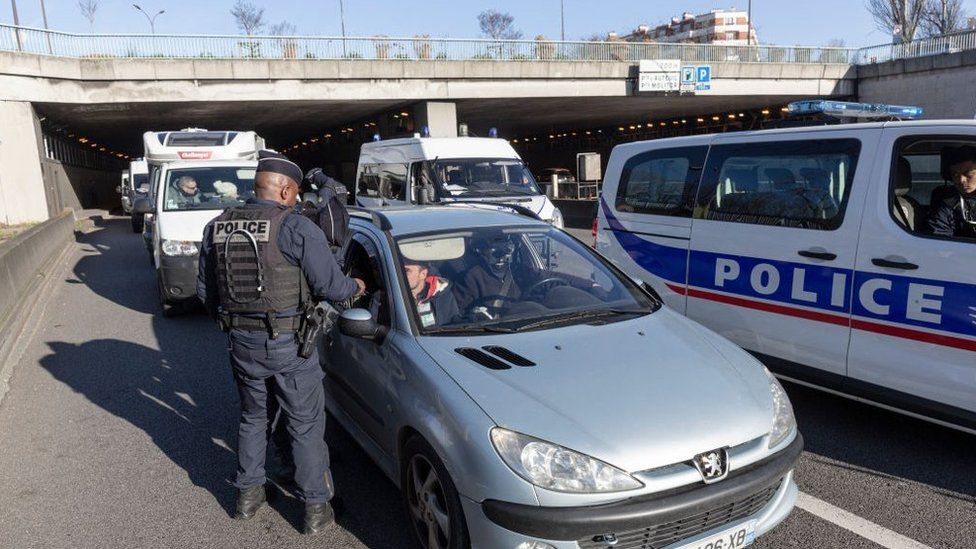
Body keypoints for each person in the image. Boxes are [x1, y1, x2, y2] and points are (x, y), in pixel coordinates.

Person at [197, 150, 365, 535]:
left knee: (253, 417)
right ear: (287, 190)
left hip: (241, 342)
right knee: (304, 424)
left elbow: (205, 293)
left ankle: (247, 496)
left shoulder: (218, 225)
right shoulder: (296, 227)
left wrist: (239, 324)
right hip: (290, 344)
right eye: (297, 191)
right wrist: (356, 285)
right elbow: (331, 287)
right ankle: (315, 509)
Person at [928, 145, 976, 239]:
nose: (961, 180)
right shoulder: (948, 202)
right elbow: (939, 238)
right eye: (955, 174)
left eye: (968, 174)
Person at [402, 260, 460, 327]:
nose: (399, 274)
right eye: (399, 269)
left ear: (423, 274)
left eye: (406, 271)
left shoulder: (441, 294)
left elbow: (453, 327)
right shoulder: (392, 294)